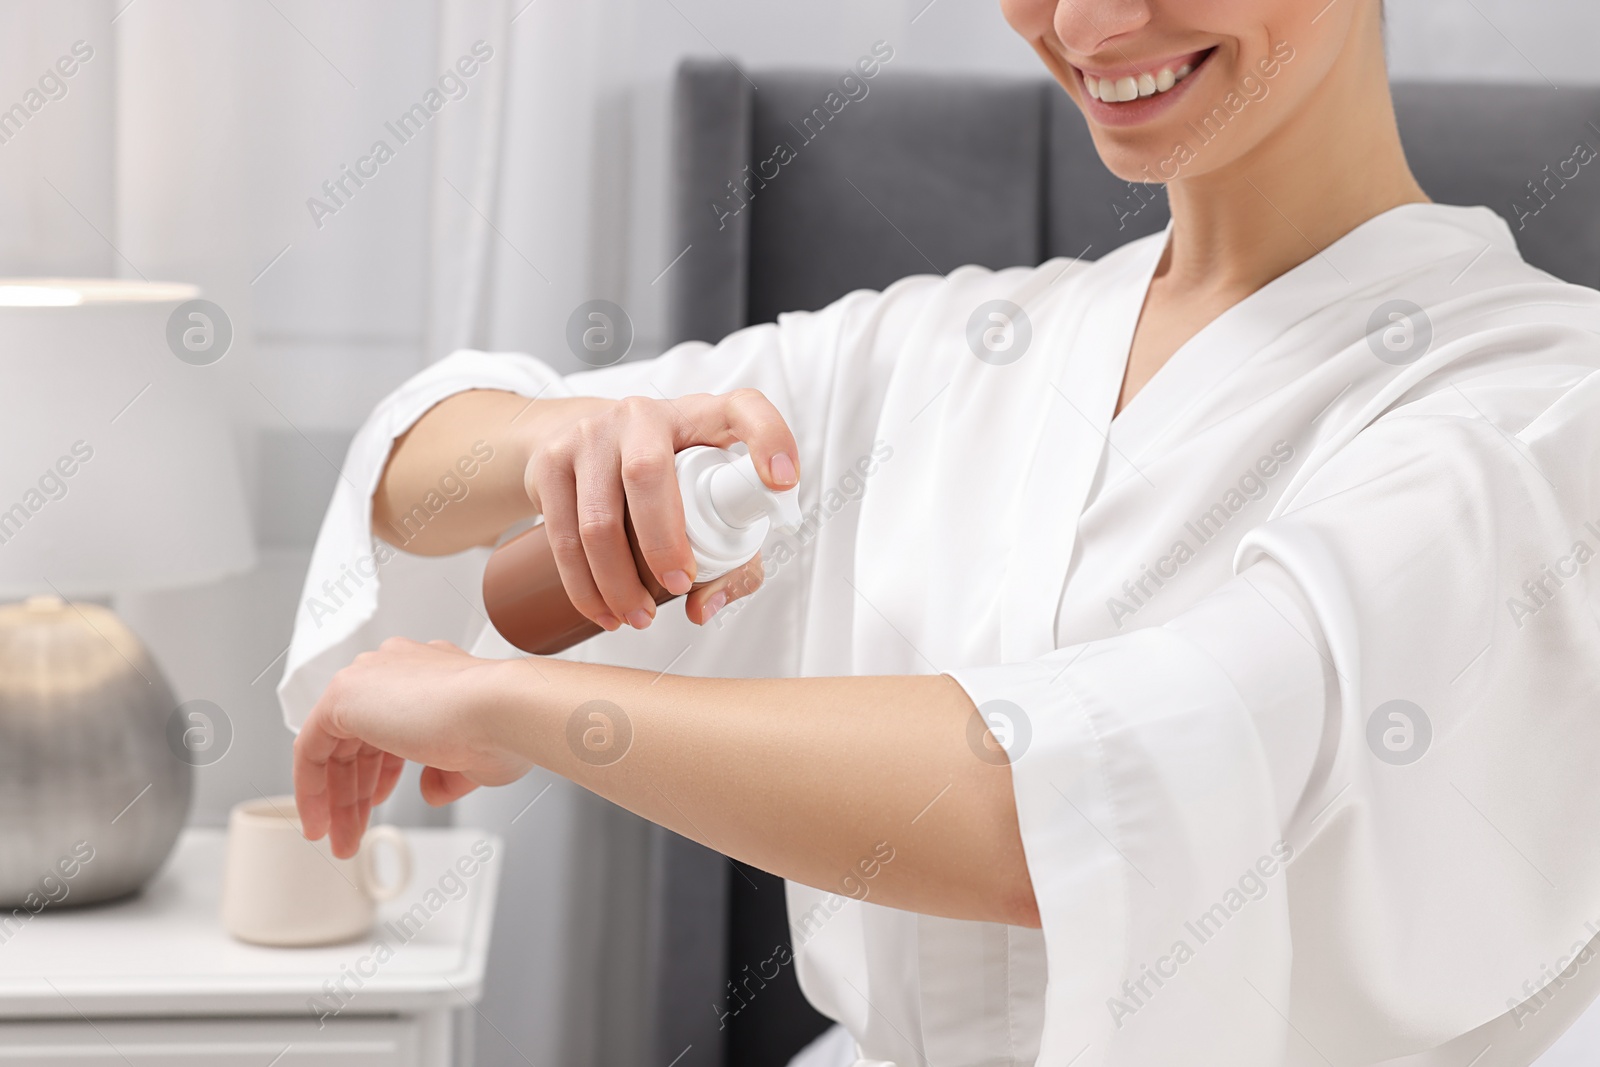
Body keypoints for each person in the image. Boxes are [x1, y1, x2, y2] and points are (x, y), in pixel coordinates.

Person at [278, 0, 1600, 1063]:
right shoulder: (951, 347)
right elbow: (436, 518)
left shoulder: (1540, 407)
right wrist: (553, 453)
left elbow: (1100, 797)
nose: (1087, 25)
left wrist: (506, 709)